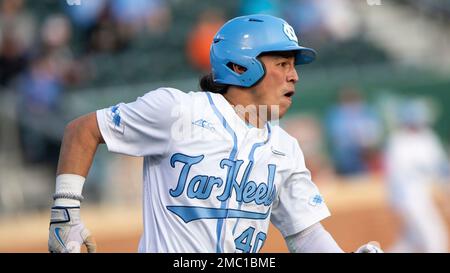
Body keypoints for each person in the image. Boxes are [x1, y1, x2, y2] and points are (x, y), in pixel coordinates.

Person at [48, 14, 382, 253]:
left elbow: (305, 235)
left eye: (294, 66)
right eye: (282, 64)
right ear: (240, 66)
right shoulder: (178, 110)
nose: (294, 76)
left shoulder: (286, 147)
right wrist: (65, 217)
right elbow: (83, 130)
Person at [385, 98, 449, 253]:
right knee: (434, 238)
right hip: (408, 199)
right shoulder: (398, 141)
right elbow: (398, 174)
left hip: (423, 197)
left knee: (410, 243)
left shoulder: (427, 137)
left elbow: (440, 166)